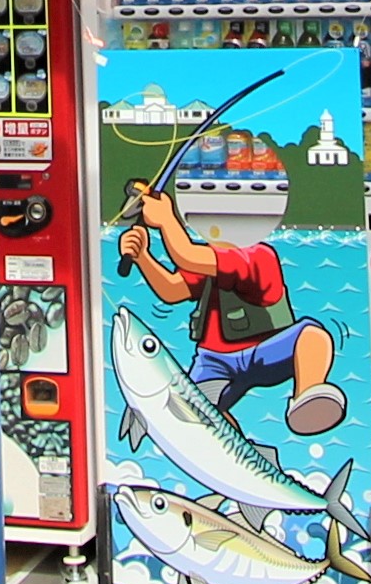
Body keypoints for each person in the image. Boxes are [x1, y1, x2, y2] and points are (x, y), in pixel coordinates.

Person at [117, 174, 348, 435]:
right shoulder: (208, 260)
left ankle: (307, 396)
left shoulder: (258, 257)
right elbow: (172, 290)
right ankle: (234, 447)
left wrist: (166, 220)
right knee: (194, 412)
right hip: (214, 360)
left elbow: (187, 256)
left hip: (264, 351)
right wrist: (143, 257)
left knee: (312, 336)